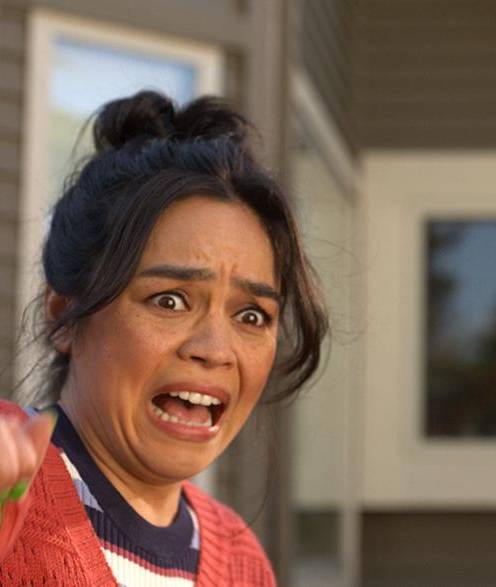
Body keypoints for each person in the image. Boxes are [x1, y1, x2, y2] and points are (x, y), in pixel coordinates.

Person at [0, 91, 327, 585]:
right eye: (170, 301)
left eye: (251, 315)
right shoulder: (12, 484)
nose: (215, 350)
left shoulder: (243, 565)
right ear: (64, 316)